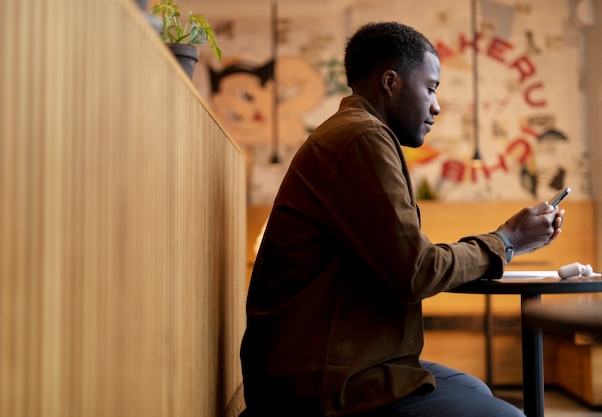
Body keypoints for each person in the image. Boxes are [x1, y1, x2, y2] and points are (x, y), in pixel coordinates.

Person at [239, 21, 565, 417]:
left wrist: (508, 240)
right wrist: (507, 240)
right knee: (507, 416)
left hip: (335, 364)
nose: (437, 106)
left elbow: (406, 262)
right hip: (323, 385)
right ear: (390, 82)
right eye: (430, 88)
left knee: (476, 388)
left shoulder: (353, 133)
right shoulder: (362, 138)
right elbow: (416, 271)